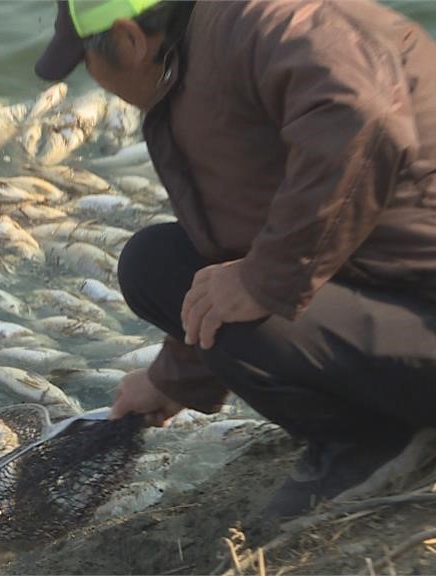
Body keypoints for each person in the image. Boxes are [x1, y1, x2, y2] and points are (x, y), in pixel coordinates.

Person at [35, 0, 436, 520]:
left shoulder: (268, 25)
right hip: (397, 301)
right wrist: (168, 381)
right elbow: (235, 246)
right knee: (157, 265)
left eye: (85, 61)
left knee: (215, 283)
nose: (94, 79)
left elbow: (365, 116)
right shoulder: (201, 51)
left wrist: (263, 278)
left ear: (130, 39)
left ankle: (371, 444)